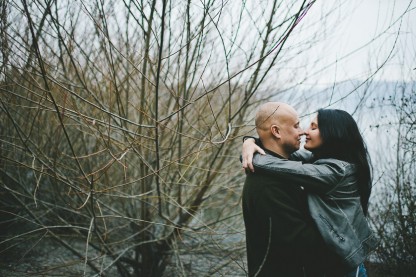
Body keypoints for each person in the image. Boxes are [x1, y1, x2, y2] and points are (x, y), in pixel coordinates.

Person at [242, 107, 379, 276]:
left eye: (313, 127)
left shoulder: (335, 171)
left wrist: (250, 151)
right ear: (276, 131)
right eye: (298, 126)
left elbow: (277, 164)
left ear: (332, 134)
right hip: (337, 263)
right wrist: (250, 142)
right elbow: (282, 160)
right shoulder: (319, 161)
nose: (304, 132)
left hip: (344, 268)